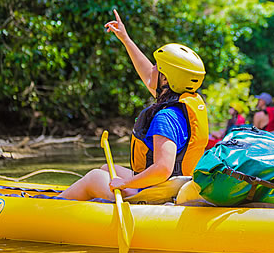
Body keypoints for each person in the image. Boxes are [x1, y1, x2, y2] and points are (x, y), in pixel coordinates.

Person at [60, 10, 209, 201]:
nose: (152, 68)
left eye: (157, 66)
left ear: (165, 79)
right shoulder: (182, 102)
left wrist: (125, 184)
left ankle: (50, 209)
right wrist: (125, 38)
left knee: (95, 177)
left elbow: (162, 169)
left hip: (157, 196)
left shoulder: (166, 118)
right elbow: (148, 76)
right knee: (106, 169)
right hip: (173, 188)